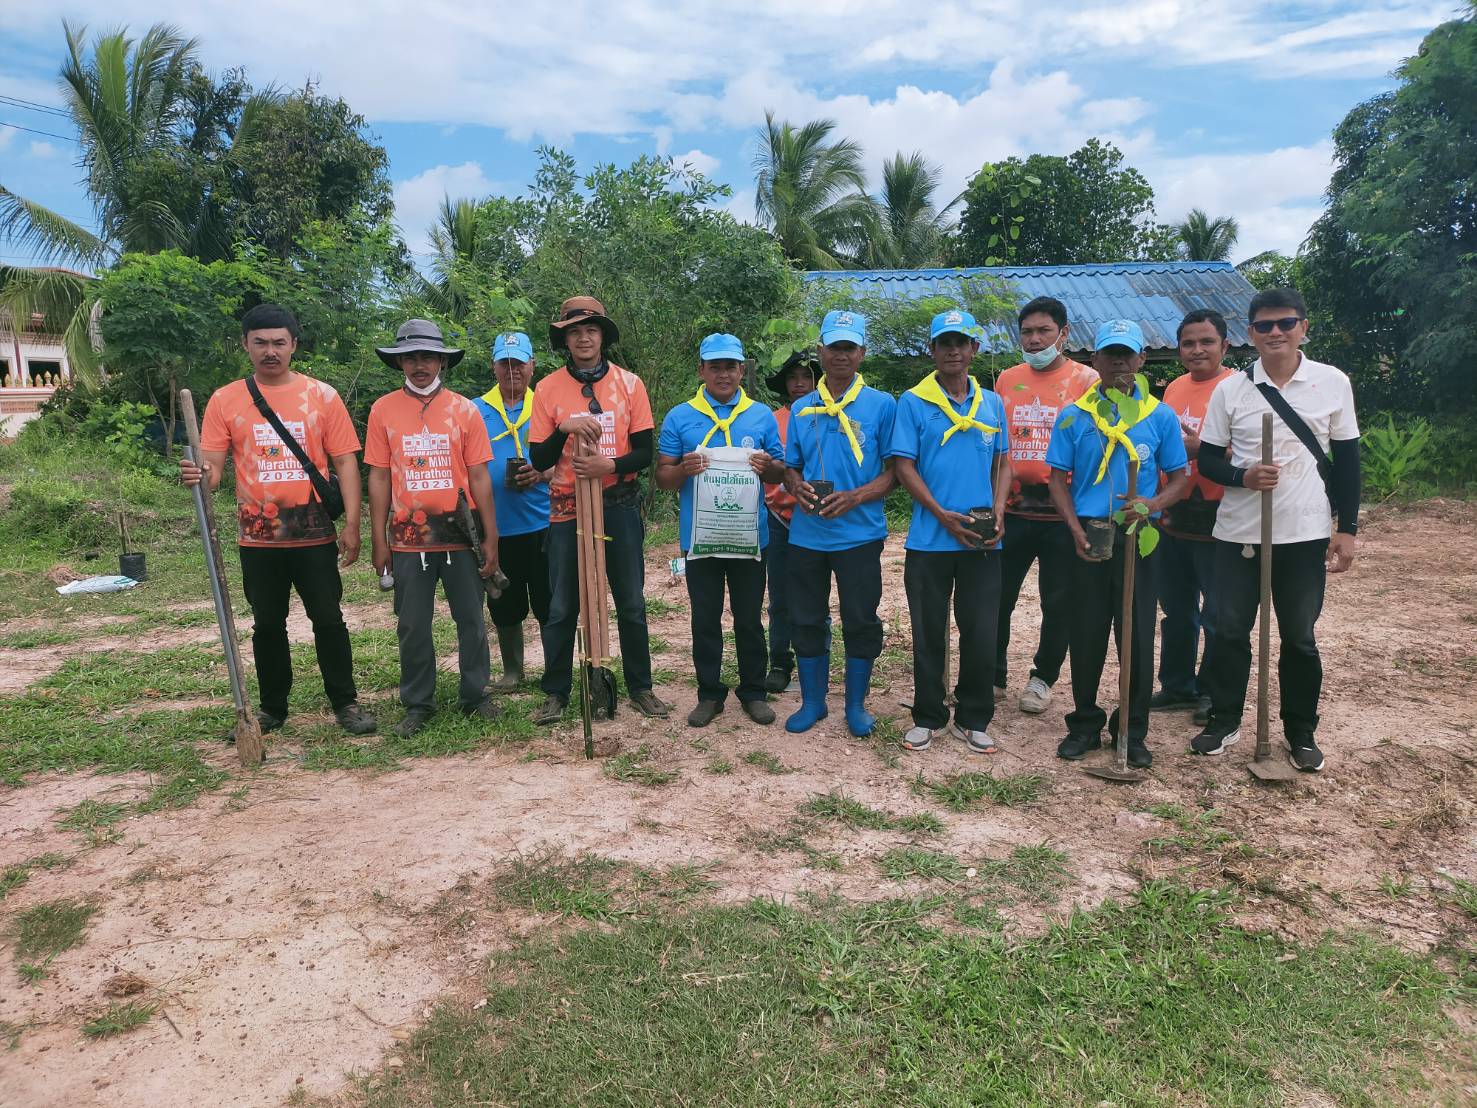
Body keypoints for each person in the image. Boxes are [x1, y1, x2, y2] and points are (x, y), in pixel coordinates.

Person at [183, 303, 375, 738]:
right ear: (245, 345)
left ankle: (345, 703)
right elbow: (212, 469)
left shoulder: (321, 396)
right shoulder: (225, 399)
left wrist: (352, 525)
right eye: (261, 343)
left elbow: (345, 462)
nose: (270, 351)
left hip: (314, 534)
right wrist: (198, 474)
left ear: (294, 345)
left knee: (328, 619)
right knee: (267, 624)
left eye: (279, 343)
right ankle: (272, 709)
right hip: (259, 539)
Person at [1191, 288, 1361, 772]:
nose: (1275, 333)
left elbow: (1348, 463)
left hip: (1304, 534)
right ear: (1250, 335)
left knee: (1300, 637)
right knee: (1228, 632)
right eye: (1264, 326)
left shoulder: (1331, 382)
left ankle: (1300, 732)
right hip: (1239, 532)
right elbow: (1207, 459)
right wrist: (1242, 477)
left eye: (1286, 323)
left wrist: (1346, 529)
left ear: (1303, 327)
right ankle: (1223, 720)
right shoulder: (1232, 389)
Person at [1046, 320, 1189, 769]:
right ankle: (1085, 724)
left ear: (1142, 360)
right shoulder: (1075, 414)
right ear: (1096, 361)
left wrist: (1151, 504)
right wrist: (1074, 529)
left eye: (1128, 355)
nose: (1120, 364)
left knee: (1137, 634)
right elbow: (1057, 480)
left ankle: (1132, 727)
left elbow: (1180, 480)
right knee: (1086, 633)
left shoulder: (1158, 415)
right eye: (1111, 355)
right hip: (1091, 533)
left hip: (1137, 536)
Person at [525, 296, 669, 724]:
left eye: (591, 329)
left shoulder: (630, 384)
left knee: (630, 601)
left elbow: (644, 452)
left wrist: (610, 465)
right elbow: (537, 460)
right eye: (574, 331)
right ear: (565, 340)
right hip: (568, 507)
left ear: (602, 336)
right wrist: (563, 430)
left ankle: (641, 687)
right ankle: (556, 692)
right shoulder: (548, 389)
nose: (583, 337)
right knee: (562, 605)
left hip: (619, 504)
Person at [366, 319, 501, 737]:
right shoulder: (382, 410)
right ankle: (418, 703)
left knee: (471, 619)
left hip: (462, 535)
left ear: (442, 360)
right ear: (399, 362)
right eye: (410, 357)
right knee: (412, 623)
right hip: (409, 538)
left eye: (427, 356)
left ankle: (476, 694)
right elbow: (380, 476)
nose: (419, 365)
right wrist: (379, 537)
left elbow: (479, 476)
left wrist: (491, 535)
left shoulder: (465, 410)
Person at [889, 309, 1012, 754]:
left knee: (981, 630)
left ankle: (974, 717)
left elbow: (1003, 462)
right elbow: (904, 465)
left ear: (975, 350)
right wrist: (941, 513)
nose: (953, 350)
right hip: (929, 538)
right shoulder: (913, 402)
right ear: (932, 351)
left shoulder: (992, 402)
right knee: (928, 630)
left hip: (982, 540)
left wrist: (998, 510)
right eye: (945, 343)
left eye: (962, 342)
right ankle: (928, 715)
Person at [656, 333, 785, 727]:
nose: (723, 374)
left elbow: (782, 471)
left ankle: (753, 691)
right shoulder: (681, 416)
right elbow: (663, 477)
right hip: (701, 540)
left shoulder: (761, 416)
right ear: (702, 370)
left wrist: (769, 468)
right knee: (705, 619)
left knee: (749, 619)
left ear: (742, 371)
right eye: (715, 367)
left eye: (731, 366)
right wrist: (682, 470)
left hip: (749, 539)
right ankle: (709, 693)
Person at [781, 309, 897, 736]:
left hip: (860, 534)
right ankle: (813, 702)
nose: (841, 355)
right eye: (834, 347)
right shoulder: (802, 408)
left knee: (859, 618)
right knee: (806, 616)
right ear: (821, 351)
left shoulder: (883, 405)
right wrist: (797, 486)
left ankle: (855, 704)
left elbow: (895, 472)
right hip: (808, 535)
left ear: (862, 352)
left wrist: (857, 496)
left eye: (849, 348)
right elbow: (791, 466)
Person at [994, 296, 1100, 715]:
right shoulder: (1006, 379)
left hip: (1064, 515)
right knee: (997, 598)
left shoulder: (1087, 381)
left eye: (1044, 331)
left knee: (1059, 602)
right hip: (1013, 511)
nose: (1035, 340)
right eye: (1028, 332)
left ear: (1064, 334)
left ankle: (1042, 678)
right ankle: (993, 674)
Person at [1151, 309, 1235, 725]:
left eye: (1206, 341)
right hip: (1173, 514)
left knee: (1218, 613)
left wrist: (1197, 447)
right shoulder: (1173, 390)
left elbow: (1251, 450)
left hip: (1221, 517)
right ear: (1178, 348)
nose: (1197, 350)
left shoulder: (1239, 389)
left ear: (1225, 344)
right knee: (1177, 608)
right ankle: (1177, 685)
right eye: (1188, 343)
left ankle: (1212, 692)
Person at [472, 332, 553, 694]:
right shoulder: (475, 409)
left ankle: (556, 670)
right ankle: (513, 672)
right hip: (496, 526)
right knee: (503, 601)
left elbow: (568, 461)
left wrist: (543, 472)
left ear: (532, 365)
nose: (512, 370)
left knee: (549, 602)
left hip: (543, 521)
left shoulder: (547, 406)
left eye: (519, 363)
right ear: (493, 367)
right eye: (504, 364)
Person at [761, 351, 818, 693]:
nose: (799, 383)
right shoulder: (772, 419)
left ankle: (816, 656)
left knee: (815, 594)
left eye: (806, 377)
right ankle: (780, 661)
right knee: (779, 595)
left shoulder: (827, 414)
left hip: (816, 518)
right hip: (779, 517)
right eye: (793, 377)